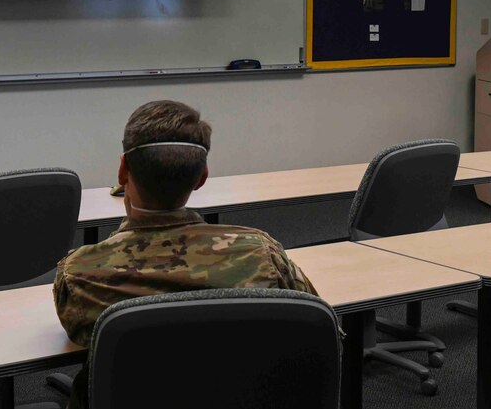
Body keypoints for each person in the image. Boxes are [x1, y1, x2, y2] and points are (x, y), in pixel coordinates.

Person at [54, 99, 318, 409]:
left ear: (123, 169)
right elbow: (318, 331)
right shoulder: (262, 255)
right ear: (203, 176)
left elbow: (80, 336)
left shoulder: (82, 274)